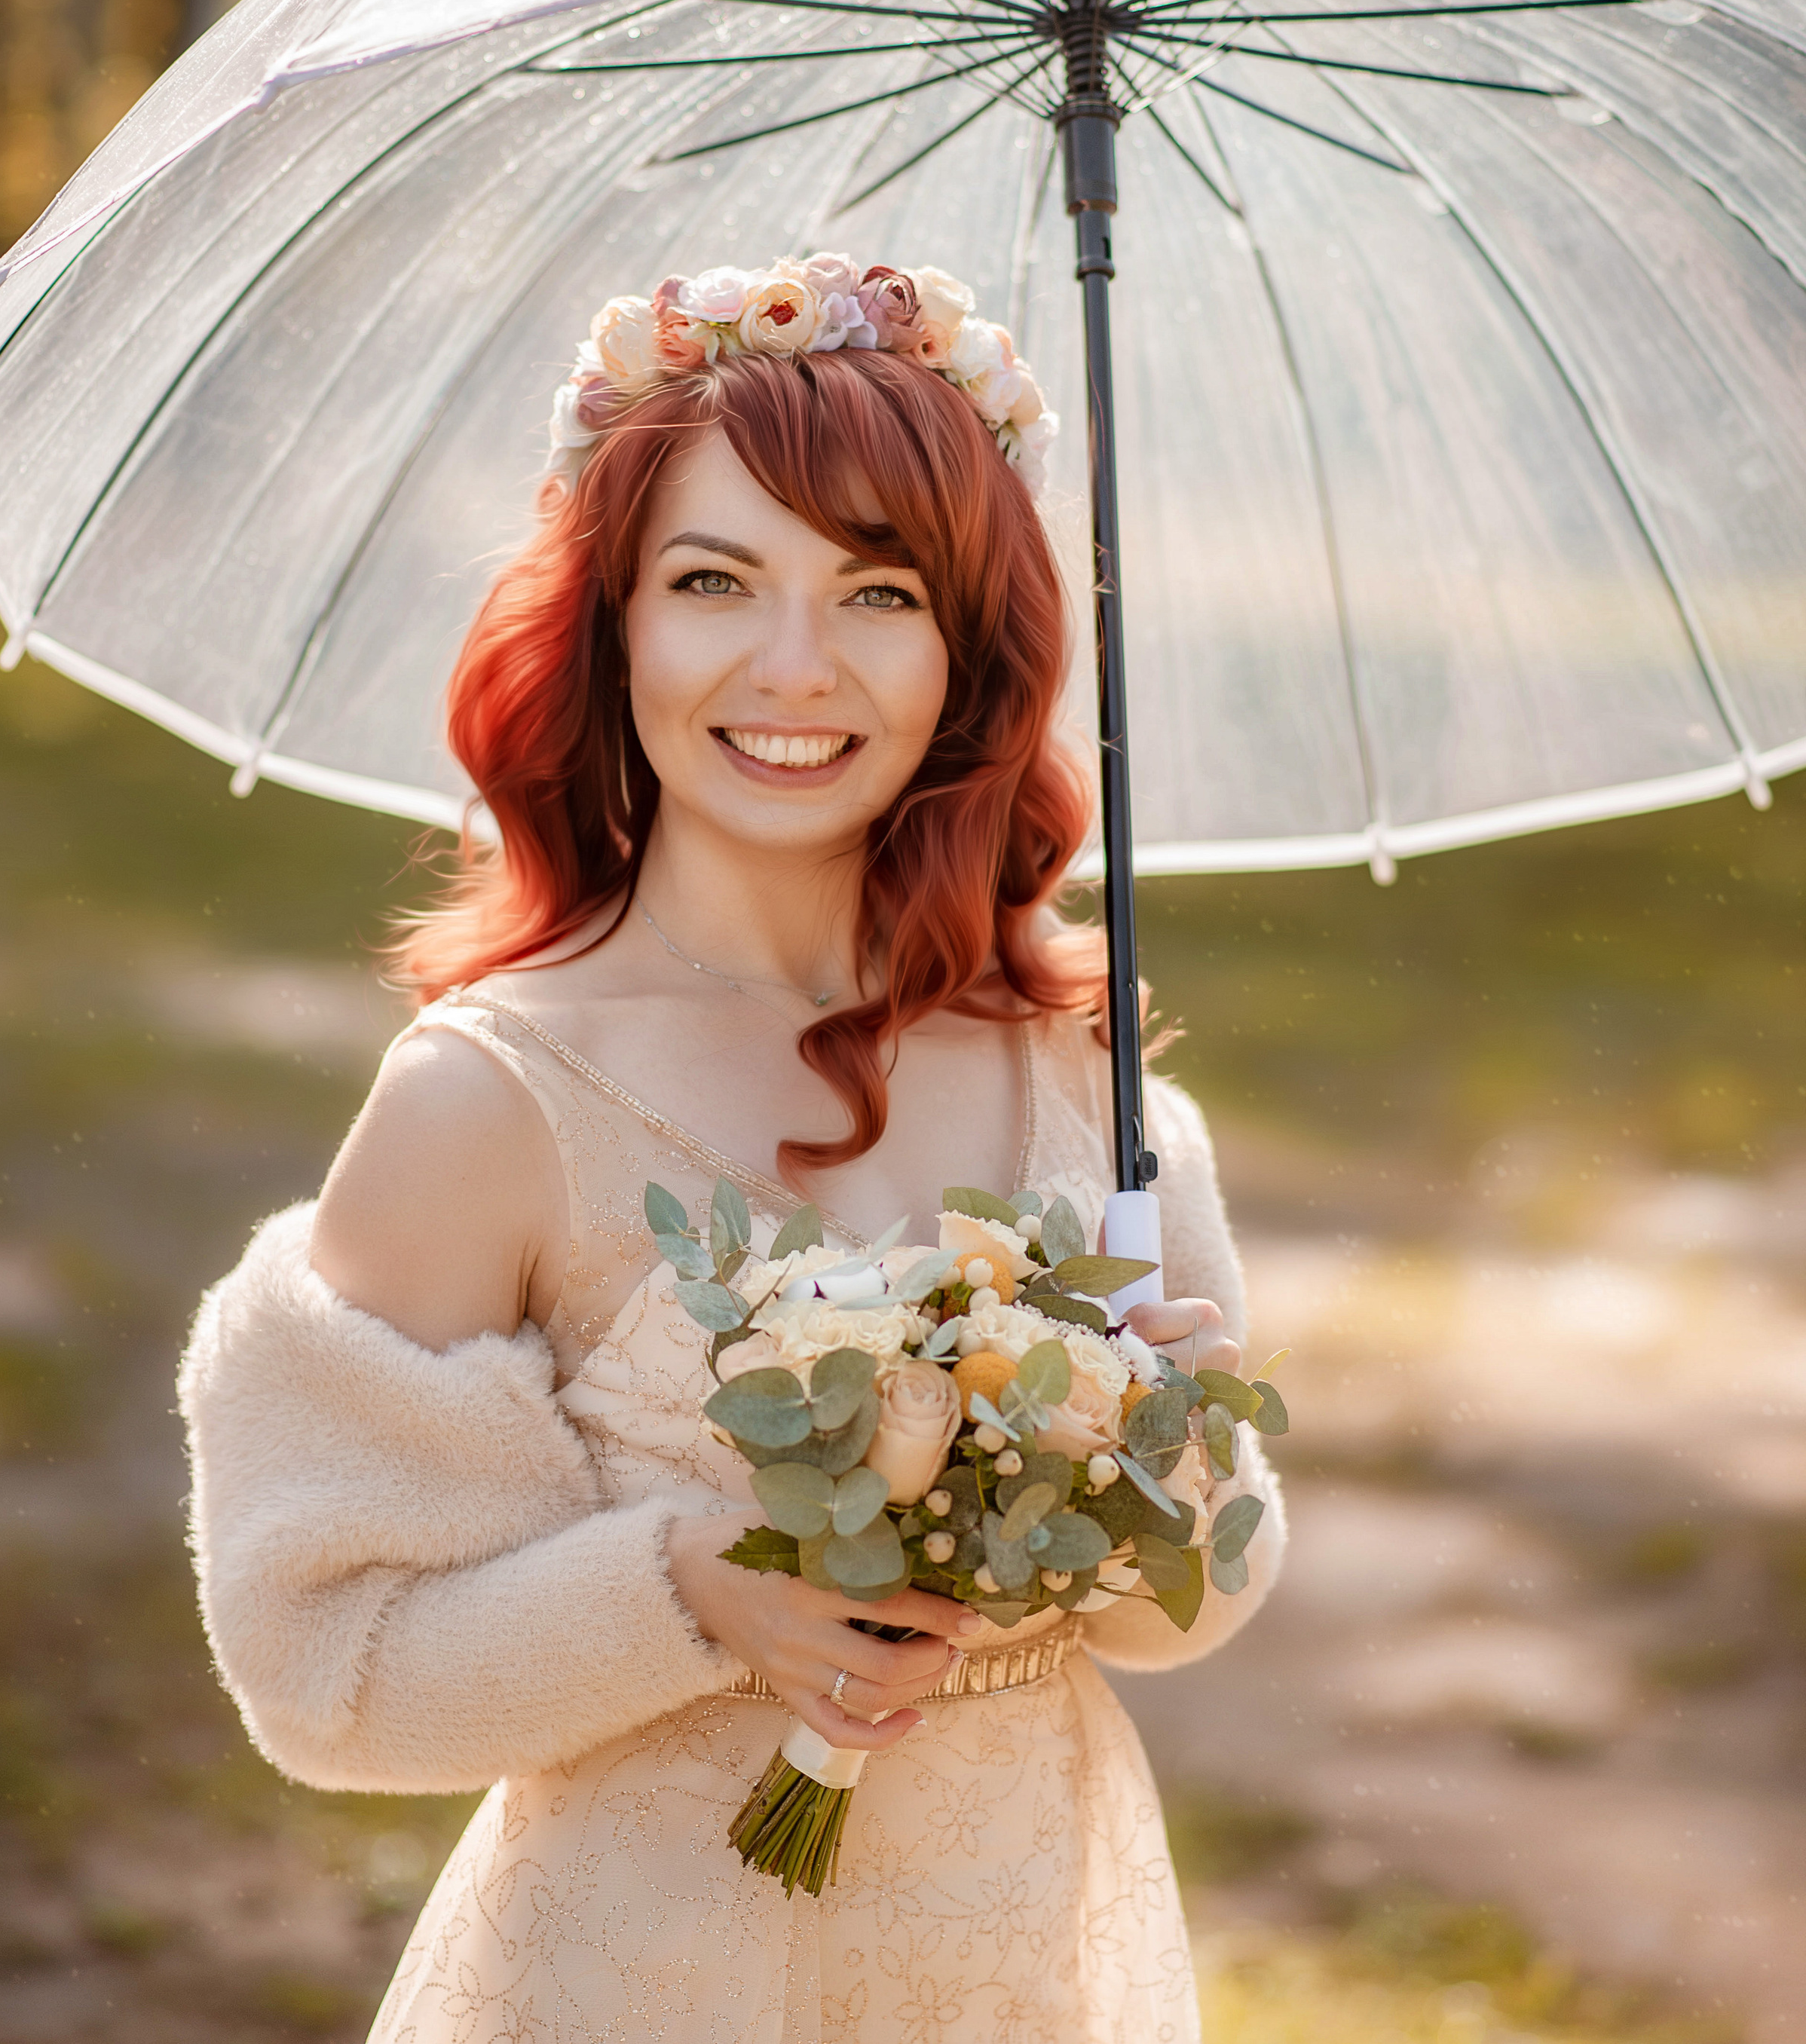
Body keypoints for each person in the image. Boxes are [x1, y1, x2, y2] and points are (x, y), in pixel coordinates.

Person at [179, 253, 1284, 2044]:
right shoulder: (493, 1100)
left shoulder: (1082, 1077)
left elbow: (1186, 1614)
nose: (793, 667)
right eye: (712, 582)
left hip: (1020, 1963)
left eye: (875, 591)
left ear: (966, 646)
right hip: (636, 1979)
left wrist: (1179, 1456)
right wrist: (686, 1596)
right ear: (613, 624)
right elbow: (333, 1673)